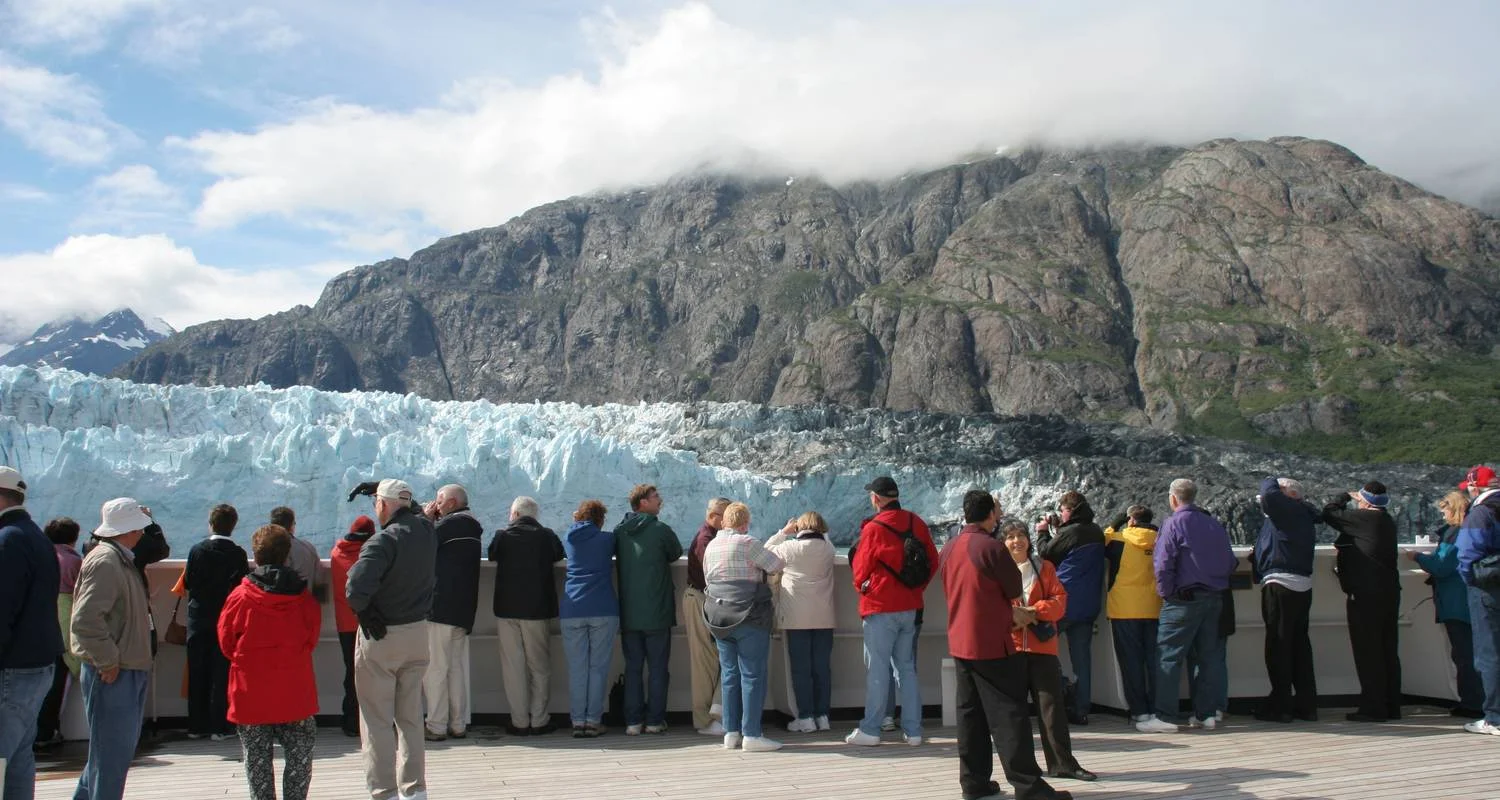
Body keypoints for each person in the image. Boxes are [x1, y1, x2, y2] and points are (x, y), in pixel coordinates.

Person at [941, 490, 1069, 800]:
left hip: (960, 640)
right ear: (990, 516)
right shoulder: (991, 547)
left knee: (970, 716)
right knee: (1009, 717)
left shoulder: (950, 547)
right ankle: (1029, 787)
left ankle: (974, 783)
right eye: (996, 512)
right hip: (992, 643)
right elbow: (1013, 587)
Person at [347, 479, 437, 800]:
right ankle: (415, 791)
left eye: (376, 503)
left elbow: (355, 590)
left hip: (383, 637)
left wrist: (366, 612)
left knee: (377, 720)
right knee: (411, 717)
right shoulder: (427, 532)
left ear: (382, 505)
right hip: (417, 634)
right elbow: (414, 509)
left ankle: (384, 792)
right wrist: (385, 488)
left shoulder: (381, 541)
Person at [218, 524, 322, 800]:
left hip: (251, 691)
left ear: (256, 556)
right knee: (300, 757)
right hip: (294, 690)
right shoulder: (303, 599)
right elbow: (310, 640)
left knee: (257, 759)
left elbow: (226, 642)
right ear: (287, 555)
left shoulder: (239, 598)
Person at [70, 497, 155, 800]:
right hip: (114, 673)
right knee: (111, 759)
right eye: (139, 528)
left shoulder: (117, 558)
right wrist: (107, 661)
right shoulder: (106, 561)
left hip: (125, 668)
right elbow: (85, 620)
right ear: (129, 529)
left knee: (107, 756)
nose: (143, 533)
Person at [1136, 479, 1237, 733]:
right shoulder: (1213, 524)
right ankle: (1206, 714)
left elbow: (1163, 563)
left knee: (1168, 657)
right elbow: (1230, 561)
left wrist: (1166, 593)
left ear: (1173, 499)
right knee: (1207, 657)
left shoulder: (1173, 524)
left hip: (1184, 598)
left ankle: (1166, 716)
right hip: (1215, 597)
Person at [846, 476, 939, 747]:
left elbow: (860, 570)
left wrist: (866, 589)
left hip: (880, 607)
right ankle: (913, 731)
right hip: (910, 607)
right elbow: (933, 560)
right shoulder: (915, 522)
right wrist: (917, 588)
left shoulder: (874, 528)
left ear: (876, 499)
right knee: (906, 669)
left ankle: (871, 729)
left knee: (878, 669)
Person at [1003, 519, 1096, 782]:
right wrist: (1014, 616)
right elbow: (990, 606)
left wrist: (1032, 612)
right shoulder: (997, 571)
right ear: (1002, 542)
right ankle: (1022, 770)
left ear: (1029, 539)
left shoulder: (1044, 567)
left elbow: (1060, 603)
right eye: (1010, 536)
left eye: (1021, 535)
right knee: (1014, 712)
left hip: (1041, 647)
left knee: (1051, 708)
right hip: (1010, 647)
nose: (1016, 541)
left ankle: (1062, 764)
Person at [704, 502, 786, 752]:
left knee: (729, 675)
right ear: (745, 524)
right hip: (748, 615)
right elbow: (776, 565)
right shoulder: (748, 543)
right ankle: (752, 734)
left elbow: (708, 577)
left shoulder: (711, 546)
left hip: (718, 616)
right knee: (752, 674)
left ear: (724, 522)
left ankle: (731, 733)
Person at [0, 467, 61, 800]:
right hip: (38, 664)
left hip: (12, 668)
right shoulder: (35, 536)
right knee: (20, 756)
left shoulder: (8, 540)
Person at [1324, 481, 1402, 723]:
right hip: (1389, 592)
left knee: (1368, 651)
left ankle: (1373, 707)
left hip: (1366, 594)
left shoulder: (1365, 518)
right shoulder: (1386, 521)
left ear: (1366, 501)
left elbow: (1329, 513)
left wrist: (1342, 496)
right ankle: (1391, 705)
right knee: (1388, 649)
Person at [489, 495, 565, 735]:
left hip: (506, 610)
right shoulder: (546, 536)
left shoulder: (502, 536)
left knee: (513, 667)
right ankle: (539, 719)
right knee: (539, 667)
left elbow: (492, 554)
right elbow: (559, 554)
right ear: (535, 516)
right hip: (537, 610)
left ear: (514, 514)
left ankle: (519, 721)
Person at [614, 484, 684, 735]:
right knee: (657, 668)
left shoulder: (620, 532)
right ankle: (654, 720)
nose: (660, 501)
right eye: (655, 497)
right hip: (657, 612)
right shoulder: (660, 530)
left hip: (629, 613)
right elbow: (675, 553)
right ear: (643, 503)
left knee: (632, 668)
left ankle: (633, 721)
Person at [1252, 477, 1321, 723]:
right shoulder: (1302, 514)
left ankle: (1281, 706)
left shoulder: (1288, 510)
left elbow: (1270, 497)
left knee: (1278, 646)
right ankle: (1306, 704)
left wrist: (1270, 479)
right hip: (1302, 585)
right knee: (1300, 646)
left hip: (1281, 584)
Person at [1035, 491, 1106, 726]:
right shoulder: (1095, 531)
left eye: (1063, 510)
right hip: (1088, 605)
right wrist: (1059, 530)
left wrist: (1043, 532)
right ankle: (1081, 709)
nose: (1061, 513)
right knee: (1082, 660)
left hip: (1063, 604)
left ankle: (1062, 688)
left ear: (1070, 511)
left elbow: (1047, 554)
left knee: (1041, 648)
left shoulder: (1071, 532)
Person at [1411, 491, 1483, 719]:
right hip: (1471, 598)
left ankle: (1472, 704)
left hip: (1455, 602)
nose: (1442, 515)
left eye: (1444, 510)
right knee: (1478, 654)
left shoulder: (1453, 534)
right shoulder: (1472, 531)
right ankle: (1482, 701)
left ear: (1452, 509)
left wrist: (1418, 557)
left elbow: (1441, 566)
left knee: (1464, 655)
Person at [183, 503, 250, 741]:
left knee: (198, 671)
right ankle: (220, 726)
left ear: (210, 523)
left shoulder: (197, 550)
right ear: (233, 525)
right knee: (221, 672)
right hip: (225, 619)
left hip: (198, 618)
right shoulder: (238, 554)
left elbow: (189, 581)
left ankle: (196, 725)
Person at [766, 511, 837, 733]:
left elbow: (763, 557)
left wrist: (782, 533)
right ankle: (823, 716)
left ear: (799, 528)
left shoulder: (789, 548)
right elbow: (825, 538)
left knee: (801, 669)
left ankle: (806, 717)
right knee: (822, 668)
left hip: (796, 617)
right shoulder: (829, 549)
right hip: (824, 616)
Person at [423, 484, 482, 741]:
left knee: (436, 668)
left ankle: (436, 725)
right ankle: (458, 723)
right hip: (464, 608)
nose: (436, 505)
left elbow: (420, 546)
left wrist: (426, 519)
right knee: (456, 668)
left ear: (451, 503)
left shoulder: (447, 527)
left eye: (439, 500)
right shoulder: (473, 527)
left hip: (440, 607)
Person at [560, 499, 618, 738]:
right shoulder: (606, 540)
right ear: (600, 519)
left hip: (572, 609)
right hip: (602, 607)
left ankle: (577, 721)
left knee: (577, 668)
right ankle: (593, 721)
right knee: (597, 668)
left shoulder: (569, 538)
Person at [1104, 505, 1160, 724]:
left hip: (1124, 608)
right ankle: (1158, 708)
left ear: (1131, 521)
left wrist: (1113, 523)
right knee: (1155, 661)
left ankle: (1139, 710)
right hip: (1155, 606)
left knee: (1131, 662)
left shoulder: (1119, 539)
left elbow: (1100, 541)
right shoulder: (1160, 539)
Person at [1455, 465, 1500, 735]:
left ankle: (1494, 717)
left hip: (1487, 587)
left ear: (1474, 487)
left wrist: (1470, 581)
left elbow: (1467, 555)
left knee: (1489, 653)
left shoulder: (1481, 513)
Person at [35, 517, 84, 750]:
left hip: (41, 619)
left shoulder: (38, 556)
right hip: (65, 618)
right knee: (60, 680)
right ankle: (48, 730)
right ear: (73, 538)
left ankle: (36, 731)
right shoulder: (74, 561)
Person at [684, 497, 730, 735]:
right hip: (701, 599)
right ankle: (703, 720)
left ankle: (712, 716)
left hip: (706, 599)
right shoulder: (706, 540)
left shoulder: (711, 538)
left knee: (711, 659)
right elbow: (710, 572)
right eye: (727, 516)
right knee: (705, 661)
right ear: (715, 517)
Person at [331, 515, 376, 737]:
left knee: (351, 671)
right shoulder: (370, 555)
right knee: (373, 673)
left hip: (344, 624)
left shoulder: (336, 553)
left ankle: (350, 720)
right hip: (367, 622)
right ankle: (370, 721)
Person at [269, 506, 330, 601]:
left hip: (271, 606)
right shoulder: (307, 548)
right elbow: (318, 580)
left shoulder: (264, 550)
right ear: (291, 525)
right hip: (300, 606)